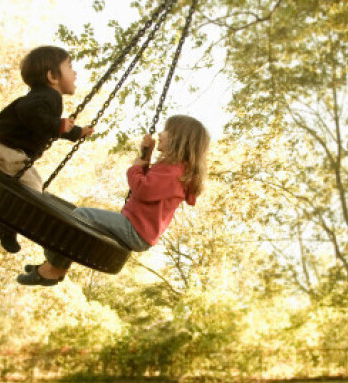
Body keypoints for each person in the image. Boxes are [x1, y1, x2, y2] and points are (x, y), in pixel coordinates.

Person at [17, 114, 210, 286]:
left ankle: (53, 269)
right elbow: (151, 186)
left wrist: (134, 167)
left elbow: (143, 189)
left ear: (179, 140)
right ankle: (54, 267)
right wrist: (146, 156)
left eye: (167, 131)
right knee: (75, 221)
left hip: (135, 230)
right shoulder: (173, 170)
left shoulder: (173, 172)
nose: (160, 133)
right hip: (136, 228)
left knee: (80, 215)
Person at [0, 45, 95, 253]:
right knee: (32, 191)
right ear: (52, 76)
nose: (75, 72)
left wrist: (77, 132)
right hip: (6, 150)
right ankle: (3, 225)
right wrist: (58, 125)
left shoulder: (43, 97)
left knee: (24, 184)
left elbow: (48, 124)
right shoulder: (48, 96)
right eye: (70, 66)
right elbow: (31, 113)